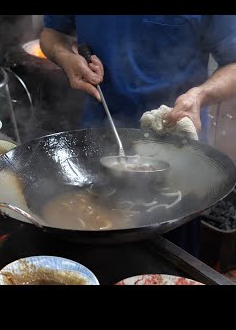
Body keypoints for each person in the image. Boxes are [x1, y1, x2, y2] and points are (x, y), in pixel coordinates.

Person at [40, 15, 236, 257]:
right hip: (99, 143)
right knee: (88, 256)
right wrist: (65, 57)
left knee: (166, 263)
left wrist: (201, 95)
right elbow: (51, 34)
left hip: (176, 157)